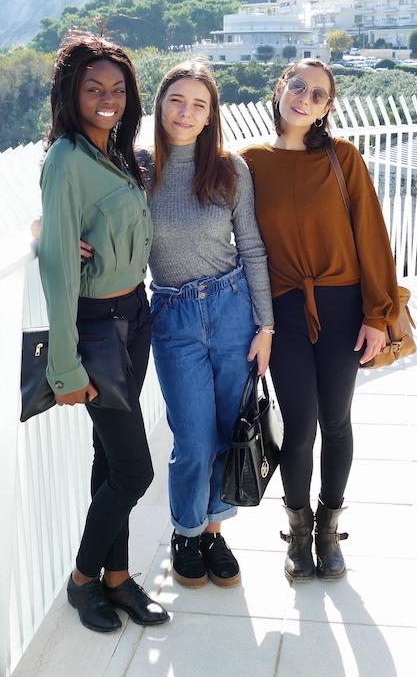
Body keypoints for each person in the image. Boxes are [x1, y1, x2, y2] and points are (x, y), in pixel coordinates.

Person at [241, 59, 399, 582]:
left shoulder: (342, 158)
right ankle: (298, 534)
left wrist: (378, 314)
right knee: (300, 424)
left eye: (318, 94)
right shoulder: (248, 163)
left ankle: (330, 531)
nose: (304, 98)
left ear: (328, 107)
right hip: (283, 309)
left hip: (342, 305)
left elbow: (371, 236)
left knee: (336, 419)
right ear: (280, 87)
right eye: (298, 86)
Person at [37, 31, 169, 633]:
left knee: (109, 459)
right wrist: (63, 366)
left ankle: (116, 580)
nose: (107, 98)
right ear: (72, 93)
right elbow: (60, 267)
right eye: (94, 88)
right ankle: (84, 580)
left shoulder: (116, 151)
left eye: (116, 88)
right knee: (136, 470)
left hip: (133, 315)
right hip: (96, 328)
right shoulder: (65, 159)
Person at [131, 58, 275, 589]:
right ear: (160, 105)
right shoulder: (138, 168)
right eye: (176, 100)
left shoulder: (230, 169)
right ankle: (185, 531)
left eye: (199, 104)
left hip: (232, 308)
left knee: (227, 431)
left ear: (212, 113)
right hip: (173, 314)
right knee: (192, 437)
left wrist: (266, 326)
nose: (186, 113)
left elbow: (253, 248)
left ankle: (214, 531)